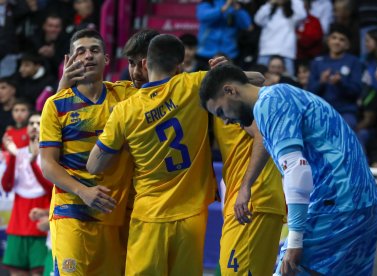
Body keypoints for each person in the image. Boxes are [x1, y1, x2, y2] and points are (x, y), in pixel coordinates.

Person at [87, 34, 264, 275]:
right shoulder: (194, 85)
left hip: (148, 215)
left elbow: (94, 166)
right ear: (179, 65)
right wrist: (224, 71)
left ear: (144, 64)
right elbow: (257, 79)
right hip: (191, 217)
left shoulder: (124, 110)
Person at [199, 63, 377, 275]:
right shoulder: (281, 96)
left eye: (221, 111)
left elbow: (297, 169)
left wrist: (295, 240)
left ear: (230, 90)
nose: (224, 121)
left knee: (288, 269)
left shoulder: (269, 104)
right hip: (364, 201)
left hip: (336, 202)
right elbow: (257, 78)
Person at [39, 29, 135, 276]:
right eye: (80, 51)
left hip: (113, 214)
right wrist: (83, 191)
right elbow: (48, 165)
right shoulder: (56, 104)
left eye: (95, 50)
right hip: (70, 210)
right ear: (69, 61)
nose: (88, 56)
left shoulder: (126, 96)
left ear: (107, 59)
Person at [212, 117, 286, 275]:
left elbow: (262, 134)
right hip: (259, 201)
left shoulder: (236, 102)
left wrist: (246, 186)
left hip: (252, 203)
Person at [2, 112, 52, 276]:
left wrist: (33, 163)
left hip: (40, 220)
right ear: (26, 128)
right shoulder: (17, 152)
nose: (34, 127)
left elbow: (50, 187)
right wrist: (14, 158)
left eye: (39, 123)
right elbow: (6, 186)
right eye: (31, 123)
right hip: (18, 220)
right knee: (16, 272)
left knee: (38, 272)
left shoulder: (51, 154)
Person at [308, 23, 363, 129]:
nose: (337, 42)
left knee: (345, 133)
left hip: (345, 112)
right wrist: (321, 82)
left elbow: (356, 91)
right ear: (328, 40)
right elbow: (309, 92)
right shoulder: (317, 62)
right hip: (321, 112)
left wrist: (340, 83)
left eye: (342, 39)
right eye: (334, 38)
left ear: (347, 45)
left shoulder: (354, 62)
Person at [254, 0, 306, 76]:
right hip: (266, 51)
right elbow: (257, 19)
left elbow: (302, 15)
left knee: (287, 83)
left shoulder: (291, 17)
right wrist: (270, 3)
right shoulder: (268, 13)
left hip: (286, 52)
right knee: (260, 83)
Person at [196, 0, 253, 67]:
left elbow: (248, 26)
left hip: (229, 53)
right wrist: (223, 9)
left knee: (229, 77)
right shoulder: (208, 2)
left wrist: (238, 10)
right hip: (206, 52)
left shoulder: (235, 5)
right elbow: (203, 16)